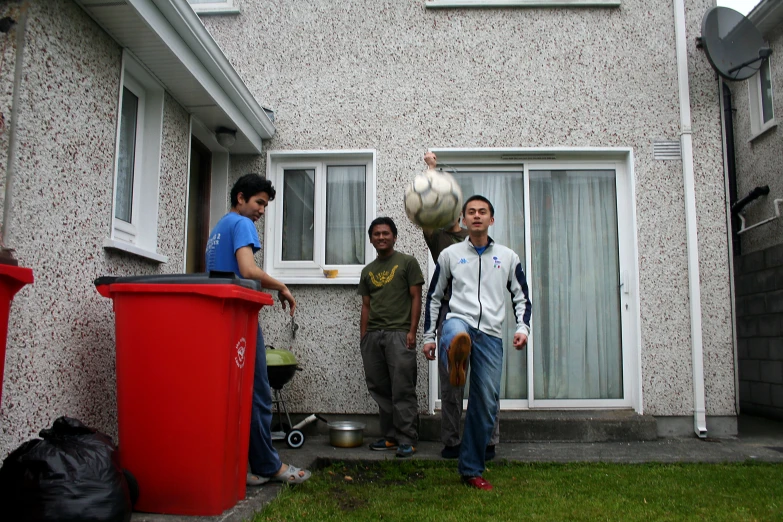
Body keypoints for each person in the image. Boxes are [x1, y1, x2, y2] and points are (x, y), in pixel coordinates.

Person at [205, 173, 311, 486]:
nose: (262, 210)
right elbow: (248, 270)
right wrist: (282, 286)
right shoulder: (241, 224)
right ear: (240, 197)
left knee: (235, 395)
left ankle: (243, 466)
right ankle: (268, 466)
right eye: (259, 202)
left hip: (221, 318)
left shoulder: (219, 228)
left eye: (265, 205)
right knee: (259, 394)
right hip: (239, 319)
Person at [422, 195, 531, 491]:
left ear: (491, 219)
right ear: (464, 220)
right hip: (461, 320)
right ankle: (454, 351)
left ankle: (471, 469)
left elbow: (520, 296)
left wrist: (522, 327)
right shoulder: (450, 255)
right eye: (471, 212)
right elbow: (434, 297)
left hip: (492, 335)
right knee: (455, 329)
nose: (477, 216)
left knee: (485, 404)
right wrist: (429, 336)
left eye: (483, 212)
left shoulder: (508, 256)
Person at [420, 152, 500, 461]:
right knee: (451, 384)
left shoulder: (478, 239)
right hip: (451, 318)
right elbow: (424, 207)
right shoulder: (438, 238)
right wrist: (430, 171)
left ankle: (488, 441)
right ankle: (452, 441)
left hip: (484, 318)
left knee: (485, 384)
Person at [358, 217, 425, 458]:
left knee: (403, 388)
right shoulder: (367, 271)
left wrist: (412, 331)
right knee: (380, 388)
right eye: (376, 234)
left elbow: (416, 297)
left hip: (400, 334)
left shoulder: (408, 262)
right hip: (373, 337)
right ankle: (391, 437)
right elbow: (366, 305)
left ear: (394, 237)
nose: (381, 237)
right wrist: (363, 337)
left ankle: (407, 438)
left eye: (386, 233)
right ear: (371, 239)